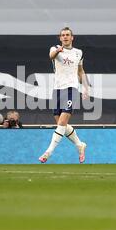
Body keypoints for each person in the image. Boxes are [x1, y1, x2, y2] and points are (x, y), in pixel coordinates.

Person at [39, 27, 89, 164]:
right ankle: (80, 145)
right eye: (63, 35)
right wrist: (57, 51)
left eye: (68, 35)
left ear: (72, 37)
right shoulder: (54, 48)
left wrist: (85, 87)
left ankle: (48, 152)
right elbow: (51, 56)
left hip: (71, 89)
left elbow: (80, 71)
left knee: (61, 123)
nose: (65, 37)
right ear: (60, 38)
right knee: (61, 125)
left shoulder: (79, 53)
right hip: (57, 90)